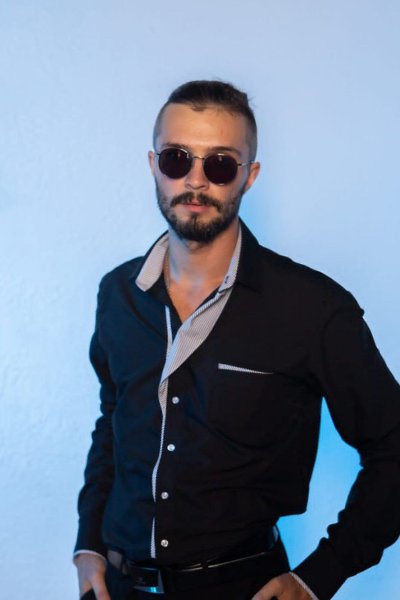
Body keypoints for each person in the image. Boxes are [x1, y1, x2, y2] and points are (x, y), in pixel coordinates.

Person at [74, 80, 400, 600]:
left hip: (243, 587)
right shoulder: (118, 293)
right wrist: (88, 541)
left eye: (220, 164)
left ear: (249, 175)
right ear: (154, 165)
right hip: (120, 586)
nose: (195, 180)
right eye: (177, 158)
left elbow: (393, 446)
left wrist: (320, 576)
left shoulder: (313, 308)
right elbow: (113, 420)